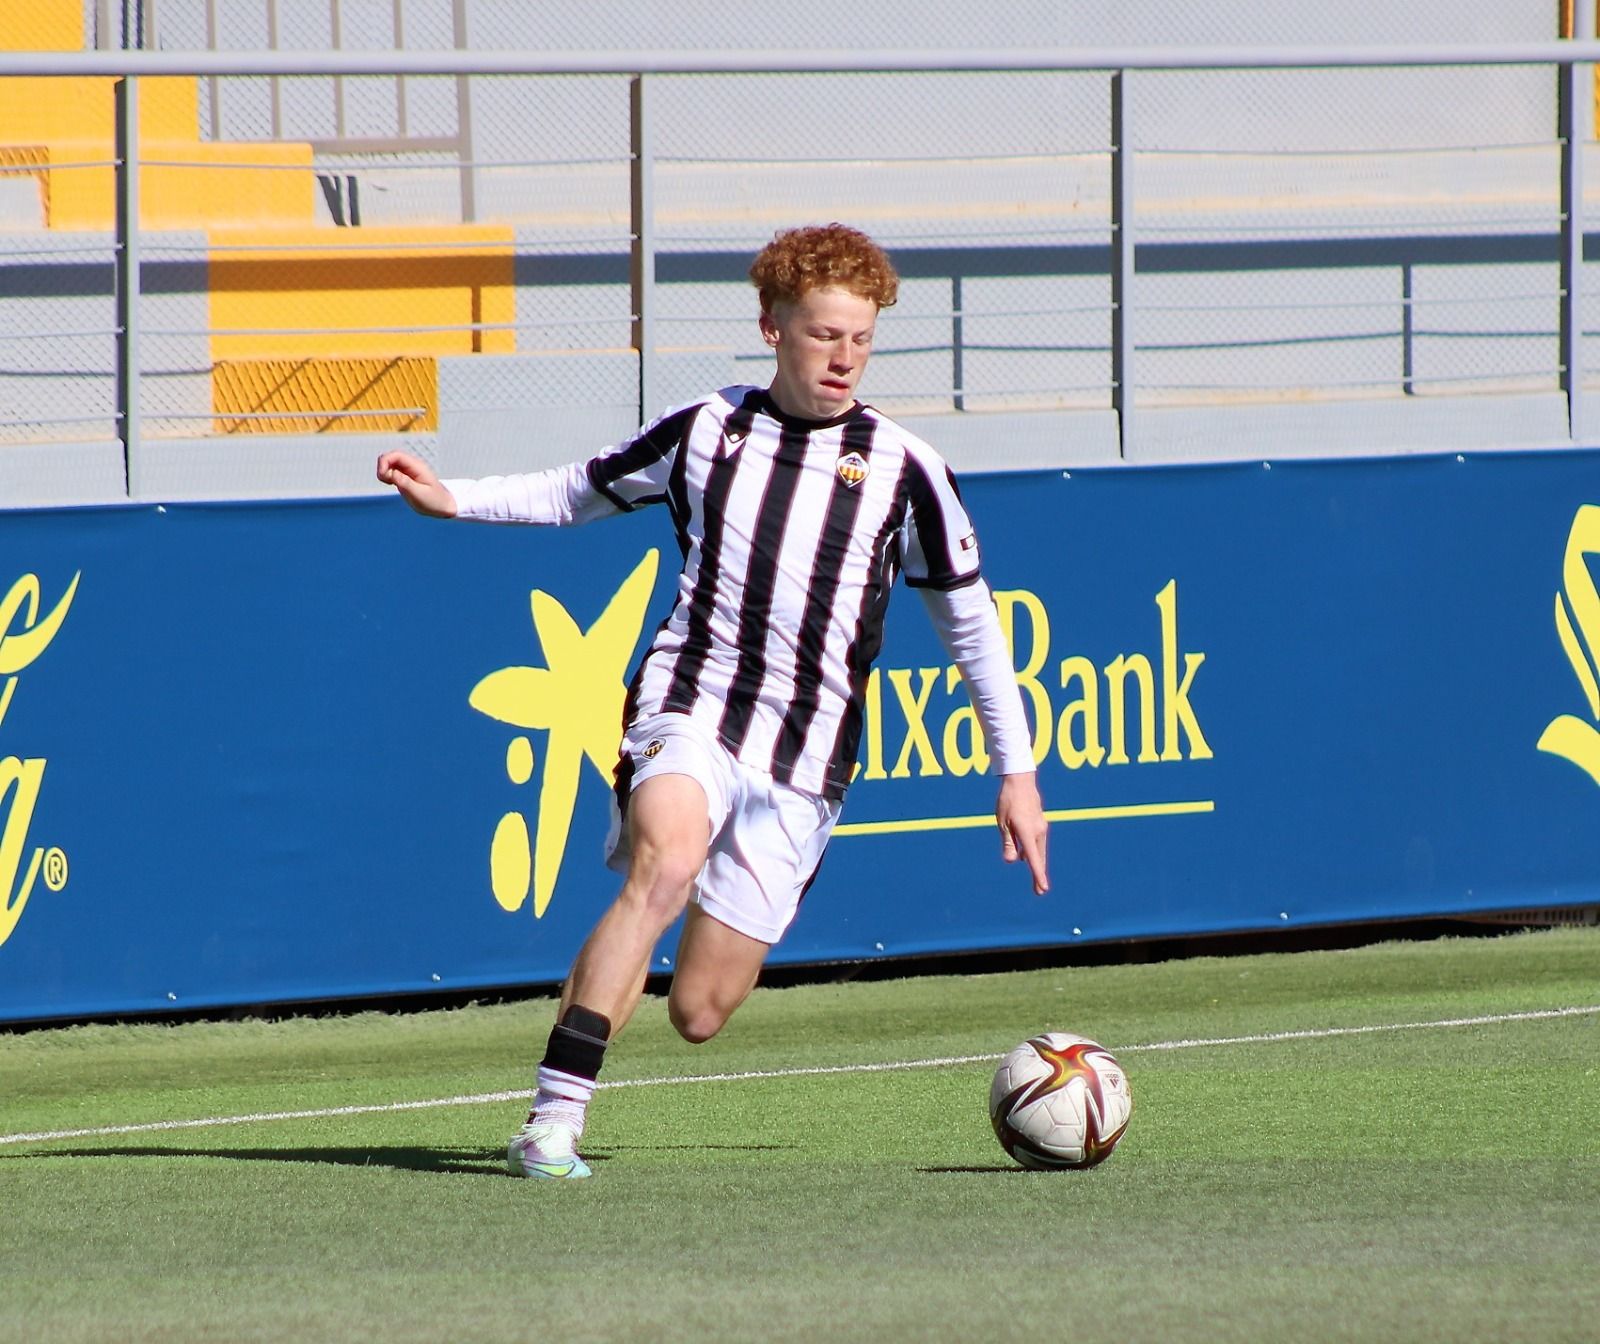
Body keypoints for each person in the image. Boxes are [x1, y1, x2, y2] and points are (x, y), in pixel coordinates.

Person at [378, 223, 1049, 1180]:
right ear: (774, 328)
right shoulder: (707, 431)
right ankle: (552, 1121)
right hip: (688, 703)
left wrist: (1014, 772)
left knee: (699, 1011)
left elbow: (972, 625)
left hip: (805, 762)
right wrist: (456, 499)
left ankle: (591, 995)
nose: (845, 358)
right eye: (825, 336)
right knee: (666, 862)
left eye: (861, 339)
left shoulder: (905, 469)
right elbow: (579, 490)